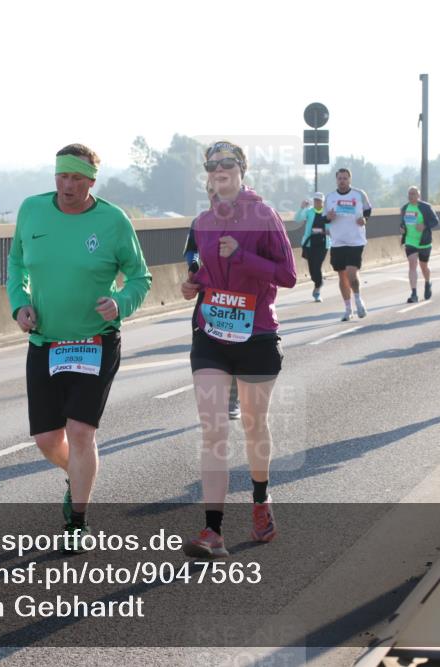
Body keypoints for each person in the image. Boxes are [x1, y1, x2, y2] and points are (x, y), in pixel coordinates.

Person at [7, 143, 152, 552]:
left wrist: (119, 303)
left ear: (91, 182)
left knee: (81, 432)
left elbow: (140, 278)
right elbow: (16, 263)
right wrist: (19, 303)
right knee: (48, 440)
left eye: (76, 179)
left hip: (95, 341)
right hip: (46, 341)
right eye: (61, 176)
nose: (67, 186)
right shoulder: (31, 210)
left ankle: (78, 520)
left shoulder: (113, 221)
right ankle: (76, 472)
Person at [180, 140, 297, 558]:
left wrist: (244, 256)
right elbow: (194, 267)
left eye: (227, 163)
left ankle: (261, 501)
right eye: (212, 165)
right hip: (211, 333)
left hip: (256, 335)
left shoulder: (264, 215)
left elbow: (288, 275)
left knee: (253, 425)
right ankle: (213, 531)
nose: (219, 170)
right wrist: (190, 283)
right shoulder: (200, 222)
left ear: (242, 169)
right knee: (213, 429)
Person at [185, 181, 242, 421]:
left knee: (235, 345)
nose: (215, 196)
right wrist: (194, 266)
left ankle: (232, 398)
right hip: (208, 294)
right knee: (203, 343)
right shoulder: (200, 222)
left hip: (238, 297)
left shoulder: (247, 221)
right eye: (210, 192)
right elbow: (191, 250)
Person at [325, 168, 373, 321]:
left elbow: (368, 210)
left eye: (345, 178)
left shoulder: (359, 194)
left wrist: (364, 219)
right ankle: (347, 309)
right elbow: (323, 218)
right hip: (338, 241)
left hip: (355, 240)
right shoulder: (330, 197)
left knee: (352, 274)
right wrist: (328, 217)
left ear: (350, 179)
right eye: (340, 178)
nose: (342, 181)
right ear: (336, 180)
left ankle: (358, 301)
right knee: (342, 276)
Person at [399, 186, 440, 302]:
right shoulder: (405, 208)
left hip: (424, 242)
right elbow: (403, 223)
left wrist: (425, 225)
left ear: (418, 196)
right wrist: (402, 228)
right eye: (409, 194)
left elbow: (436, 221)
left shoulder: (426, 207)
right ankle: (414, 294)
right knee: (412, 264)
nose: (411, 196)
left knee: (424, 266)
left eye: (414, 194)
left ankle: (427, 283)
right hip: (410, 241)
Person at [296, 192, 330, 302]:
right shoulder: (309, 211)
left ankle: (318, 288)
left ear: (323, 202)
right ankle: (318, 281)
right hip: (309, 243)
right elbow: (297, 219)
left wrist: (326, 231)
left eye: (319, 200)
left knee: (317, 265)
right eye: (315, 200)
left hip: (323, 244)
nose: (317, 202)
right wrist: (302, 208)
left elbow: (332, 228)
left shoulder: (327, 213)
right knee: (312, 269)